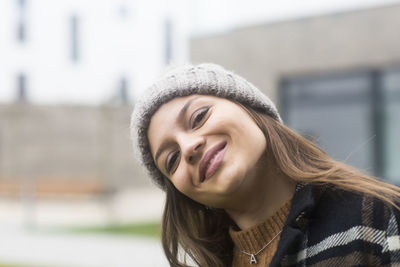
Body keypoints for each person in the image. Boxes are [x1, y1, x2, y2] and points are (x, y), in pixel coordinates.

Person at [130, 63, 400, 267]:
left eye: (199, 116)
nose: (188, 147)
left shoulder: (377, 217)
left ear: (253, 111)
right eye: (172, 159)